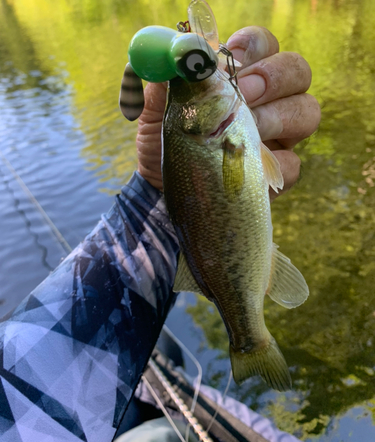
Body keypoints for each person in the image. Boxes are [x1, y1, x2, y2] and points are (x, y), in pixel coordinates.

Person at [0, 26, 320, 442]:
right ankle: (250, 339)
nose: (203, 84)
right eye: (197, 87)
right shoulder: (219, 128)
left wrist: (154, 193)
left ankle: (247, 335)